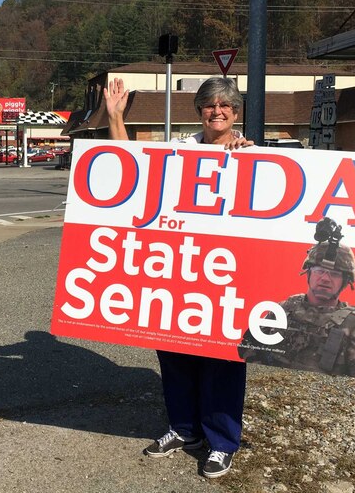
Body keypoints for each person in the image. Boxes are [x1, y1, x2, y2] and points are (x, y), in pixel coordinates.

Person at [104, 76, 252, 479]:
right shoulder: (181, 150)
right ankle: (184, 430)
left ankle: (222, 442)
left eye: (225, 105)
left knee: (224, 358)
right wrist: (116, 118)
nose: (216, 111)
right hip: (179, 269)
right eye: (209, 105)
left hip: (225, 275)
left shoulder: (254, 155)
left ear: (236, 113)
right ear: (199, 111)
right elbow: (133, 168)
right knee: (174, 353)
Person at [237, 217, 355, 381]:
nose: (325, 278)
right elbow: (247, 347)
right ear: (308, 272)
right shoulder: (285, 309)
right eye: (319, 270)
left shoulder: (354, 329)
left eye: (335, 274)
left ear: (345, 282)